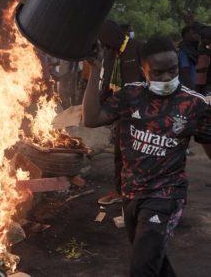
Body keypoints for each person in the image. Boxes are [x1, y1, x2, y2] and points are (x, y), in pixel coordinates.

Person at [83, 35, 211, 276]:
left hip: (166, 195)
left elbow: (208, 142)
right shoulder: (130, 95)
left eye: (172, 70)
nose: (167, 78)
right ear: (143, 70)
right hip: (131, 193)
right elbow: (90, 119)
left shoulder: (194, 104)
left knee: (143, 266)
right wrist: (96, 68)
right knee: (152, 260)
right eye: (158, 72)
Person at [97, 21, 144, 205]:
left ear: (115, 36)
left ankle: (140, 195)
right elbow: (107, 80)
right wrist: (101, 106)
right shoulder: (110, 53)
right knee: (119, 153)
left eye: (107, 42)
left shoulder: (138, 48)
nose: (106, 46)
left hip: (141, 114)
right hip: (121, 113)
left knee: (138, 156)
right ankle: (119, 191)